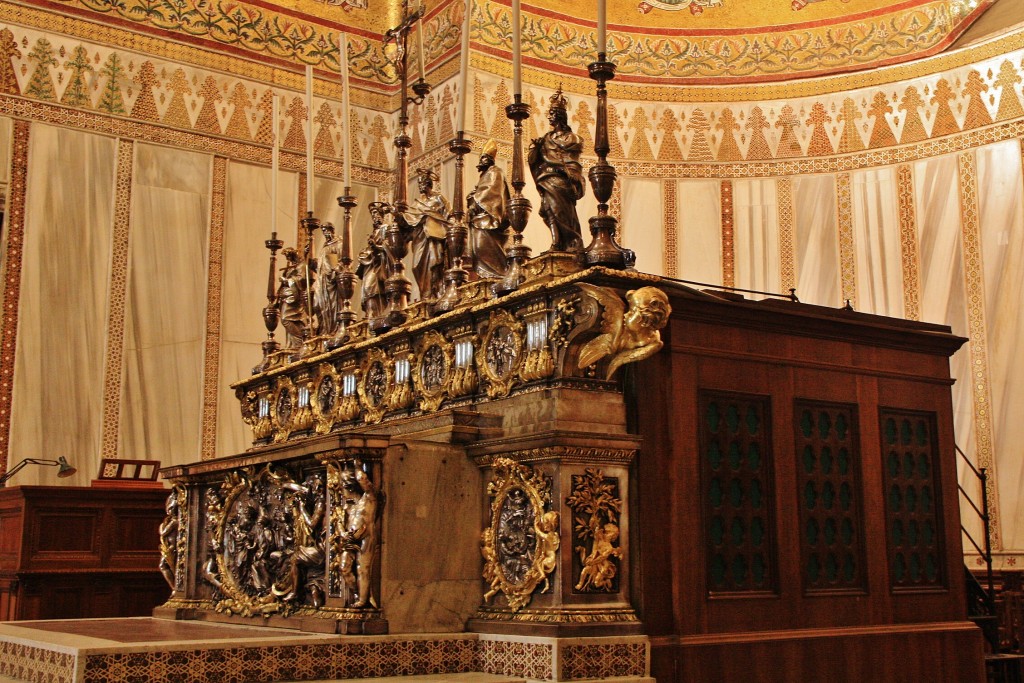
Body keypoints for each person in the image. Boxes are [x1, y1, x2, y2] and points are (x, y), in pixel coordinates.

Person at [528, 87, 586, 252]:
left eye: (552, 113)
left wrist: (567, 171)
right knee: (548, 210)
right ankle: (556, 242)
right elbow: (534, 160)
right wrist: (535, 149)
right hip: (546, 179)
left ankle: (571, 241)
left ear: (560, 116)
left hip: (562, 181)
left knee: (562, 211)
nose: (549, 117)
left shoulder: (573, 138)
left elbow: (572, 160)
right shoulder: (546, 138)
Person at [466, 139, 511, 279]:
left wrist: (475, 199)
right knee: (478, 248)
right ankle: (486, 275)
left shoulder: (495, 172)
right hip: (480, 219)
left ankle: (496, 274)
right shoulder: (484, 175)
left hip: (490, 218)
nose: (482, 161)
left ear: (491, 159)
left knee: (483, 245)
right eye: (481, 158)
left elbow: (491, 193)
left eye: (485, 158)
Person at [404, 168, 450, 300]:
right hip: (419, 238)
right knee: (416, 266)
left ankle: (435, 293)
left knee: (434, 263)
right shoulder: (417, 203)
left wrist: (432, 218)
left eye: (422, 183)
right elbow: (410, 220)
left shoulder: (439, 198)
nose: (420, 186)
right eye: (419, 183)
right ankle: (425, 294)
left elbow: (449, 215)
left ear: (428, 183)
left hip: (435, 238)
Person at [357, 202, 394, 320]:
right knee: (368, 290)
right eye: (373, 214)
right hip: (370, 265)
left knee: (372, 288)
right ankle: (371, 315)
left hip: (380, 266)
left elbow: (390, 246)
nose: (375, 217)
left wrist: (376, 247)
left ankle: (377, 315)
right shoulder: (373, 233)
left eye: (377, 213)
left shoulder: (386, 228)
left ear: (381, 215)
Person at [275, 247, 312, 348]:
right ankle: (293, 344)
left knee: (285, 319)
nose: (288, 259)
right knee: (291, 321)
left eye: (288, 257)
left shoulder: (302, 265)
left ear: (293, 255)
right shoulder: (291, 267)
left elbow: (302, 280)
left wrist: (287, 281)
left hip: (294, 298)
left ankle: (300, 340)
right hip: (286, 297)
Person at [314, 223, 343, 336]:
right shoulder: (324, 247)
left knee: (332, 305)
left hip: (332, 280)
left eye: (326, 230)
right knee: (318, 304)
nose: (325, 233)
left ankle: (333, 329)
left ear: (332, 230)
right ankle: (324, 328)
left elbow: (342, 261)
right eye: (323, 231)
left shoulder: (339, 244)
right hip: (322, 281)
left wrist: (335, 270)